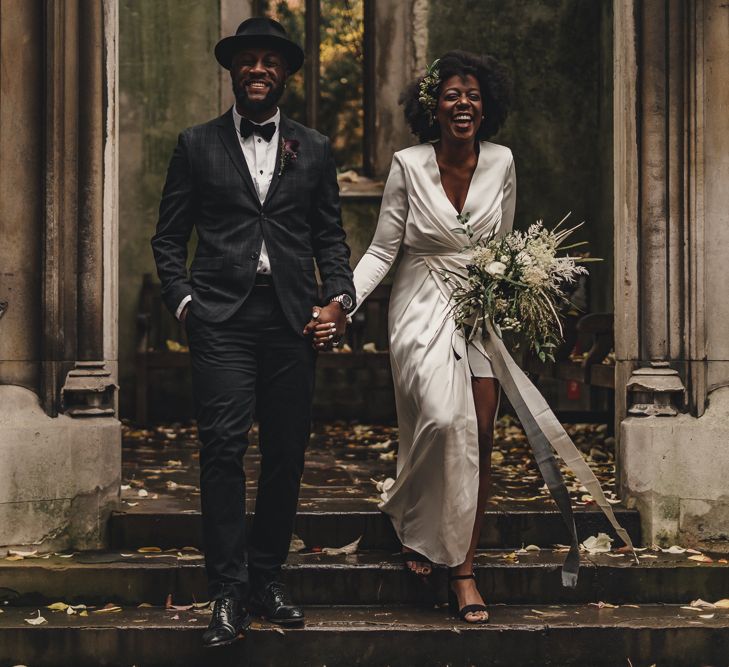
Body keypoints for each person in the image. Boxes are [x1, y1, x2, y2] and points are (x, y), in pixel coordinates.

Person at [151, 17, 356, 648]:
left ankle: (267, 578)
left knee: (287, 454)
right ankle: (228, 591)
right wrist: (187, 305)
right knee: (222, 449)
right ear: (233, 71)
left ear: (286, 73)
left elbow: (329, 236)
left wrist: (340, 300)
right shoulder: (196, 144)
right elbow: (167, 238)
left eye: (271, 60)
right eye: (248, 60)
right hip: (222, 319)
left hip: (293, 319)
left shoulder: (315, 148)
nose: (259, 69)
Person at [312, 50, 512, 624]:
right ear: (434, 106)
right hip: (421, 302)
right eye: (452, 94)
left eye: (473, 94)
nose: (463, 103)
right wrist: (343, 302)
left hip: (480, 307)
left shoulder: (502, 161)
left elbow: (506, 246)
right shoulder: (408, 164)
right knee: (441, 419)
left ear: (486, 105)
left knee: (480, 431)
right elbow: (381, 250)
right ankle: (415, 518)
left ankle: (464, 571)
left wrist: (515, 292)